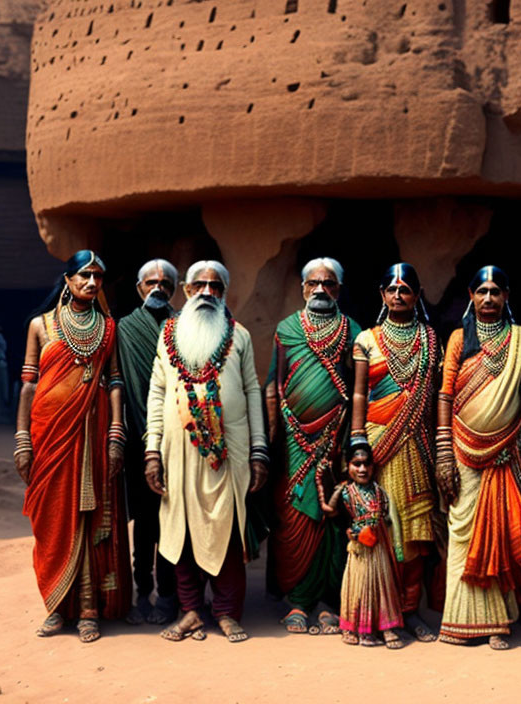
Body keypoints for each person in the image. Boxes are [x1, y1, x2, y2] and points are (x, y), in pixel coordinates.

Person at [144, 260, 269, 643]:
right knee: (181, 532)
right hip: (177, 452)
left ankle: (228, 613)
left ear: (224, 292)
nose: (207, 293)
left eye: (216, 287)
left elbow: (251, 390)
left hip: (229, 452)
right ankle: (191, 612)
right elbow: (157, 392)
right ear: (185, 290)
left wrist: (259, 449)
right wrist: (152, 451)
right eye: (199, 285)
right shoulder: (169, 334)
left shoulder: (240, 336)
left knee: (228, 533)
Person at [15, 250, 131, 643]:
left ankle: (87, 607)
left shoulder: (108, 328)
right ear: (67, 280)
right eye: (84, 275)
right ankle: (55, 606)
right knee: (52, 515)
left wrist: (116, 432)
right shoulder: (40, 325)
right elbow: (29, 384)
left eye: (98, 276)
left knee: (90, 513)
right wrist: (22, 439)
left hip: (93, 431)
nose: (91, 283)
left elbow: (114, 381)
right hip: (48, 433)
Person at [436, 266, 521, 650]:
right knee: (462, 531)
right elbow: (445, 395)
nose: (489, 298)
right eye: (482, 291)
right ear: (471, 295)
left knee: (500, 528)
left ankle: (499, 622)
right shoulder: (460, 339)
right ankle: (459, 621)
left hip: (507, 452)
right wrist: (444, 452)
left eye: (496, 291)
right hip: (462, 450)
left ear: (507, 296)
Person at [265, 257, 361, 634]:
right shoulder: (286, 329)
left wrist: (353, 436)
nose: (321, 289)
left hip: (335, 439)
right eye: (314, 283)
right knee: (292, 514)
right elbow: (275, 383)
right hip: (292, 441)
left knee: (333, 516)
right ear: (303, 288)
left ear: (339, 289)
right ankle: (296, 600)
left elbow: (358, 388)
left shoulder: (352, 329)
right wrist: (273, 435)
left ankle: (328, 601)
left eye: (330, 283)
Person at [350, 263, 443, 642]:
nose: (399, 294)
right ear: (382, 295)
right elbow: (359, 393)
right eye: (392, 288)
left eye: (406, 289)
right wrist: (357, 438)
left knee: (416, 536)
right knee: (380, 529)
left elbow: (437, 396)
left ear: (417, 296)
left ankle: (409, 611)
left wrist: (442, 444)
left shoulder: (430, 338)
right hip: (376, 445)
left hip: (418, 446)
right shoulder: (366, 340)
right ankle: (377, 613)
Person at [117, 258, 179, 625]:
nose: (158, 288)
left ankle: (171, 595)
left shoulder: (184, 325)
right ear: (139, 288)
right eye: (151, 282)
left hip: (182, 442)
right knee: (144, 523)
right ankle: (143, 592)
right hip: (138, 444)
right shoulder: (124, 329)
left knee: (175, 522)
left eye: (165, 283)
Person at [322, 444, 405, 649]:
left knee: (383, 586)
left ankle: (386, 628)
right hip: (358, 548)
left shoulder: (379, 491)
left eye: (366, 464)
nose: (362, 469)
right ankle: (357, 629)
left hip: (378, 547)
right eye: (356, 464)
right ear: (348, 466)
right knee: (359, 587)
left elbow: (387, 517)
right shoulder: (346, 492)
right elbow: (330, 512)